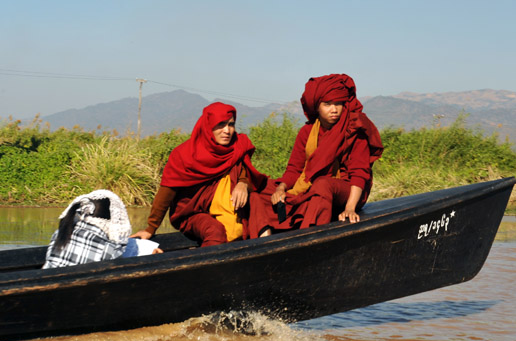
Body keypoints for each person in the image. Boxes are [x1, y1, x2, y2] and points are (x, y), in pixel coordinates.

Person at [248, 74, 384, 238]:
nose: (334, 109)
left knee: (322, 184)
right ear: (316, 107)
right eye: (327, 104)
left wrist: (350, 208)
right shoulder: (307, 132)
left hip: (347, 190)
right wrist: (281, 188)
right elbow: (294, 169)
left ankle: (308, 238)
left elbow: (359, 172)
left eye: (338, 104)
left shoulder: (353, 128)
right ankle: (265, 237)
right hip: (311, 187)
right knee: (259, 190)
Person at [131, 102, 267, 246]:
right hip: (192, 214)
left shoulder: (237, 147)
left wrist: (242, 183)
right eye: (220, 125)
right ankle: (207, 267)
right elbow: (166, 193)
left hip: (225, 208)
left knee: (261, 201)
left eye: (231, 124)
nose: (227, 131)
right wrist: (151, 228)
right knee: (215, 231)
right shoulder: (184, 155)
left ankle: (265, 247)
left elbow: (244, 171)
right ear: (208, 126)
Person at [43, 189, 162, 269]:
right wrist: (148, 252)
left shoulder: (60, 233)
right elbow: (120, 254)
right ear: (112, 218)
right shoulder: (109, 247)